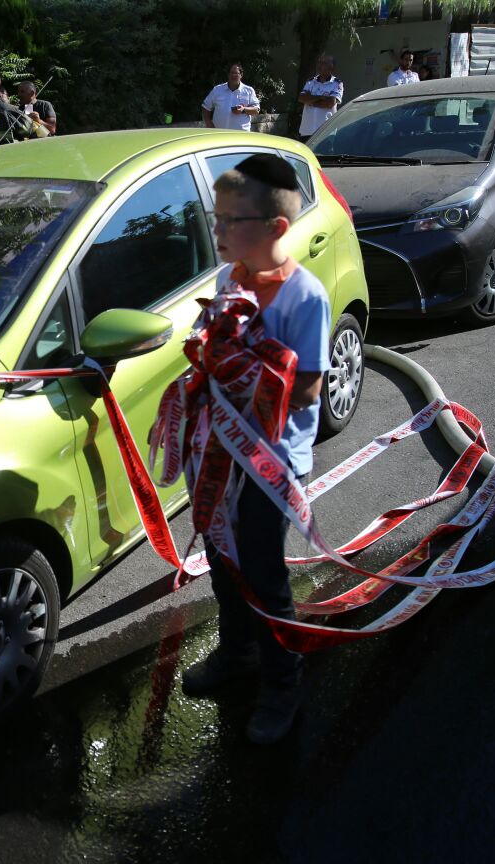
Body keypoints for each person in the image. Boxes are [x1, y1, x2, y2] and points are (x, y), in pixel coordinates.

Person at [180, 153, 330, 746]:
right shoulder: (228, 281)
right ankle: (237, 656)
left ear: (274, 228)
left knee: (265, 578)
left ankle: (281, 687)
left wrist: (249, 372)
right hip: (220, 455)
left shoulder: (304, 297)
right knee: (223, 564)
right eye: (215, 219)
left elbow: (310, 386)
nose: (217, 231)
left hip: (269, 467)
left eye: (230, 220)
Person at [201, 63, 262, 132]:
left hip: (241, 136)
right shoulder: (217, 90)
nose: (233, 75)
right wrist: (209, 124)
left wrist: (243, 109)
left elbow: (256, 110)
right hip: (219, 135)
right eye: (231, 73)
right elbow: (205, 107)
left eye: (236, 73)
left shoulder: (248, 91)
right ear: (228, 74)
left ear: (241, 75)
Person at [298, 54, 344, 142]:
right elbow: (302, 98)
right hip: (307, 130)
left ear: (332, 67)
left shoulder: (337, 83)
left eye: (324, 63)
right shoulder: (311, 82)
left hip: (326, 132)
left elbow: (330, 103)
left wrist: (310, 101)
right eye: (319, 62)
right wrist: (322, 97)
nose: (320, 65)